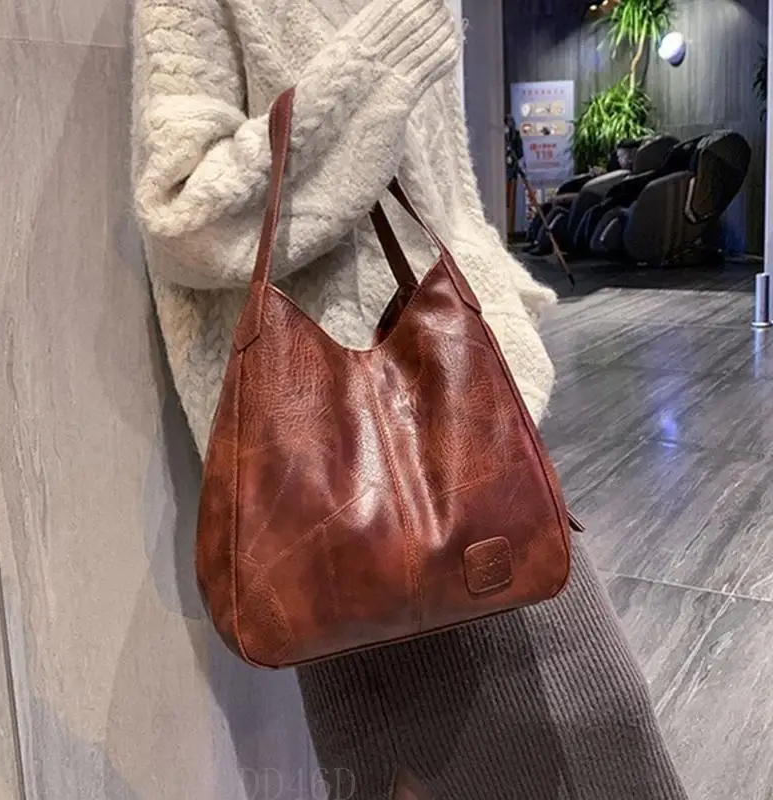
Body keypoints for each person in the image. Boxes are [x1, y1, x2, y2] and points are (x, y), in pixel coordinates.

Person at [130, 0, 690, 798]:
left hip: (464, 419)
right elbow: (184, 216)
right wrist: (381, 60)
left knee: (602, 723)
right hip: (335, 473)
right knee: (473, 760)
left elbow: (439, 195)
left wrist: (500, 300)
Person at [505, 114, 524, 236]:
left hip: (511, 171)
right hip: (500, 174)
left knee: (511, 202)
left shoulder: (516, 135)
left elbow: (520, 153)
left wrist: (512, 154)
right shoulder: (499, 136)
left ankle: (510, 230)